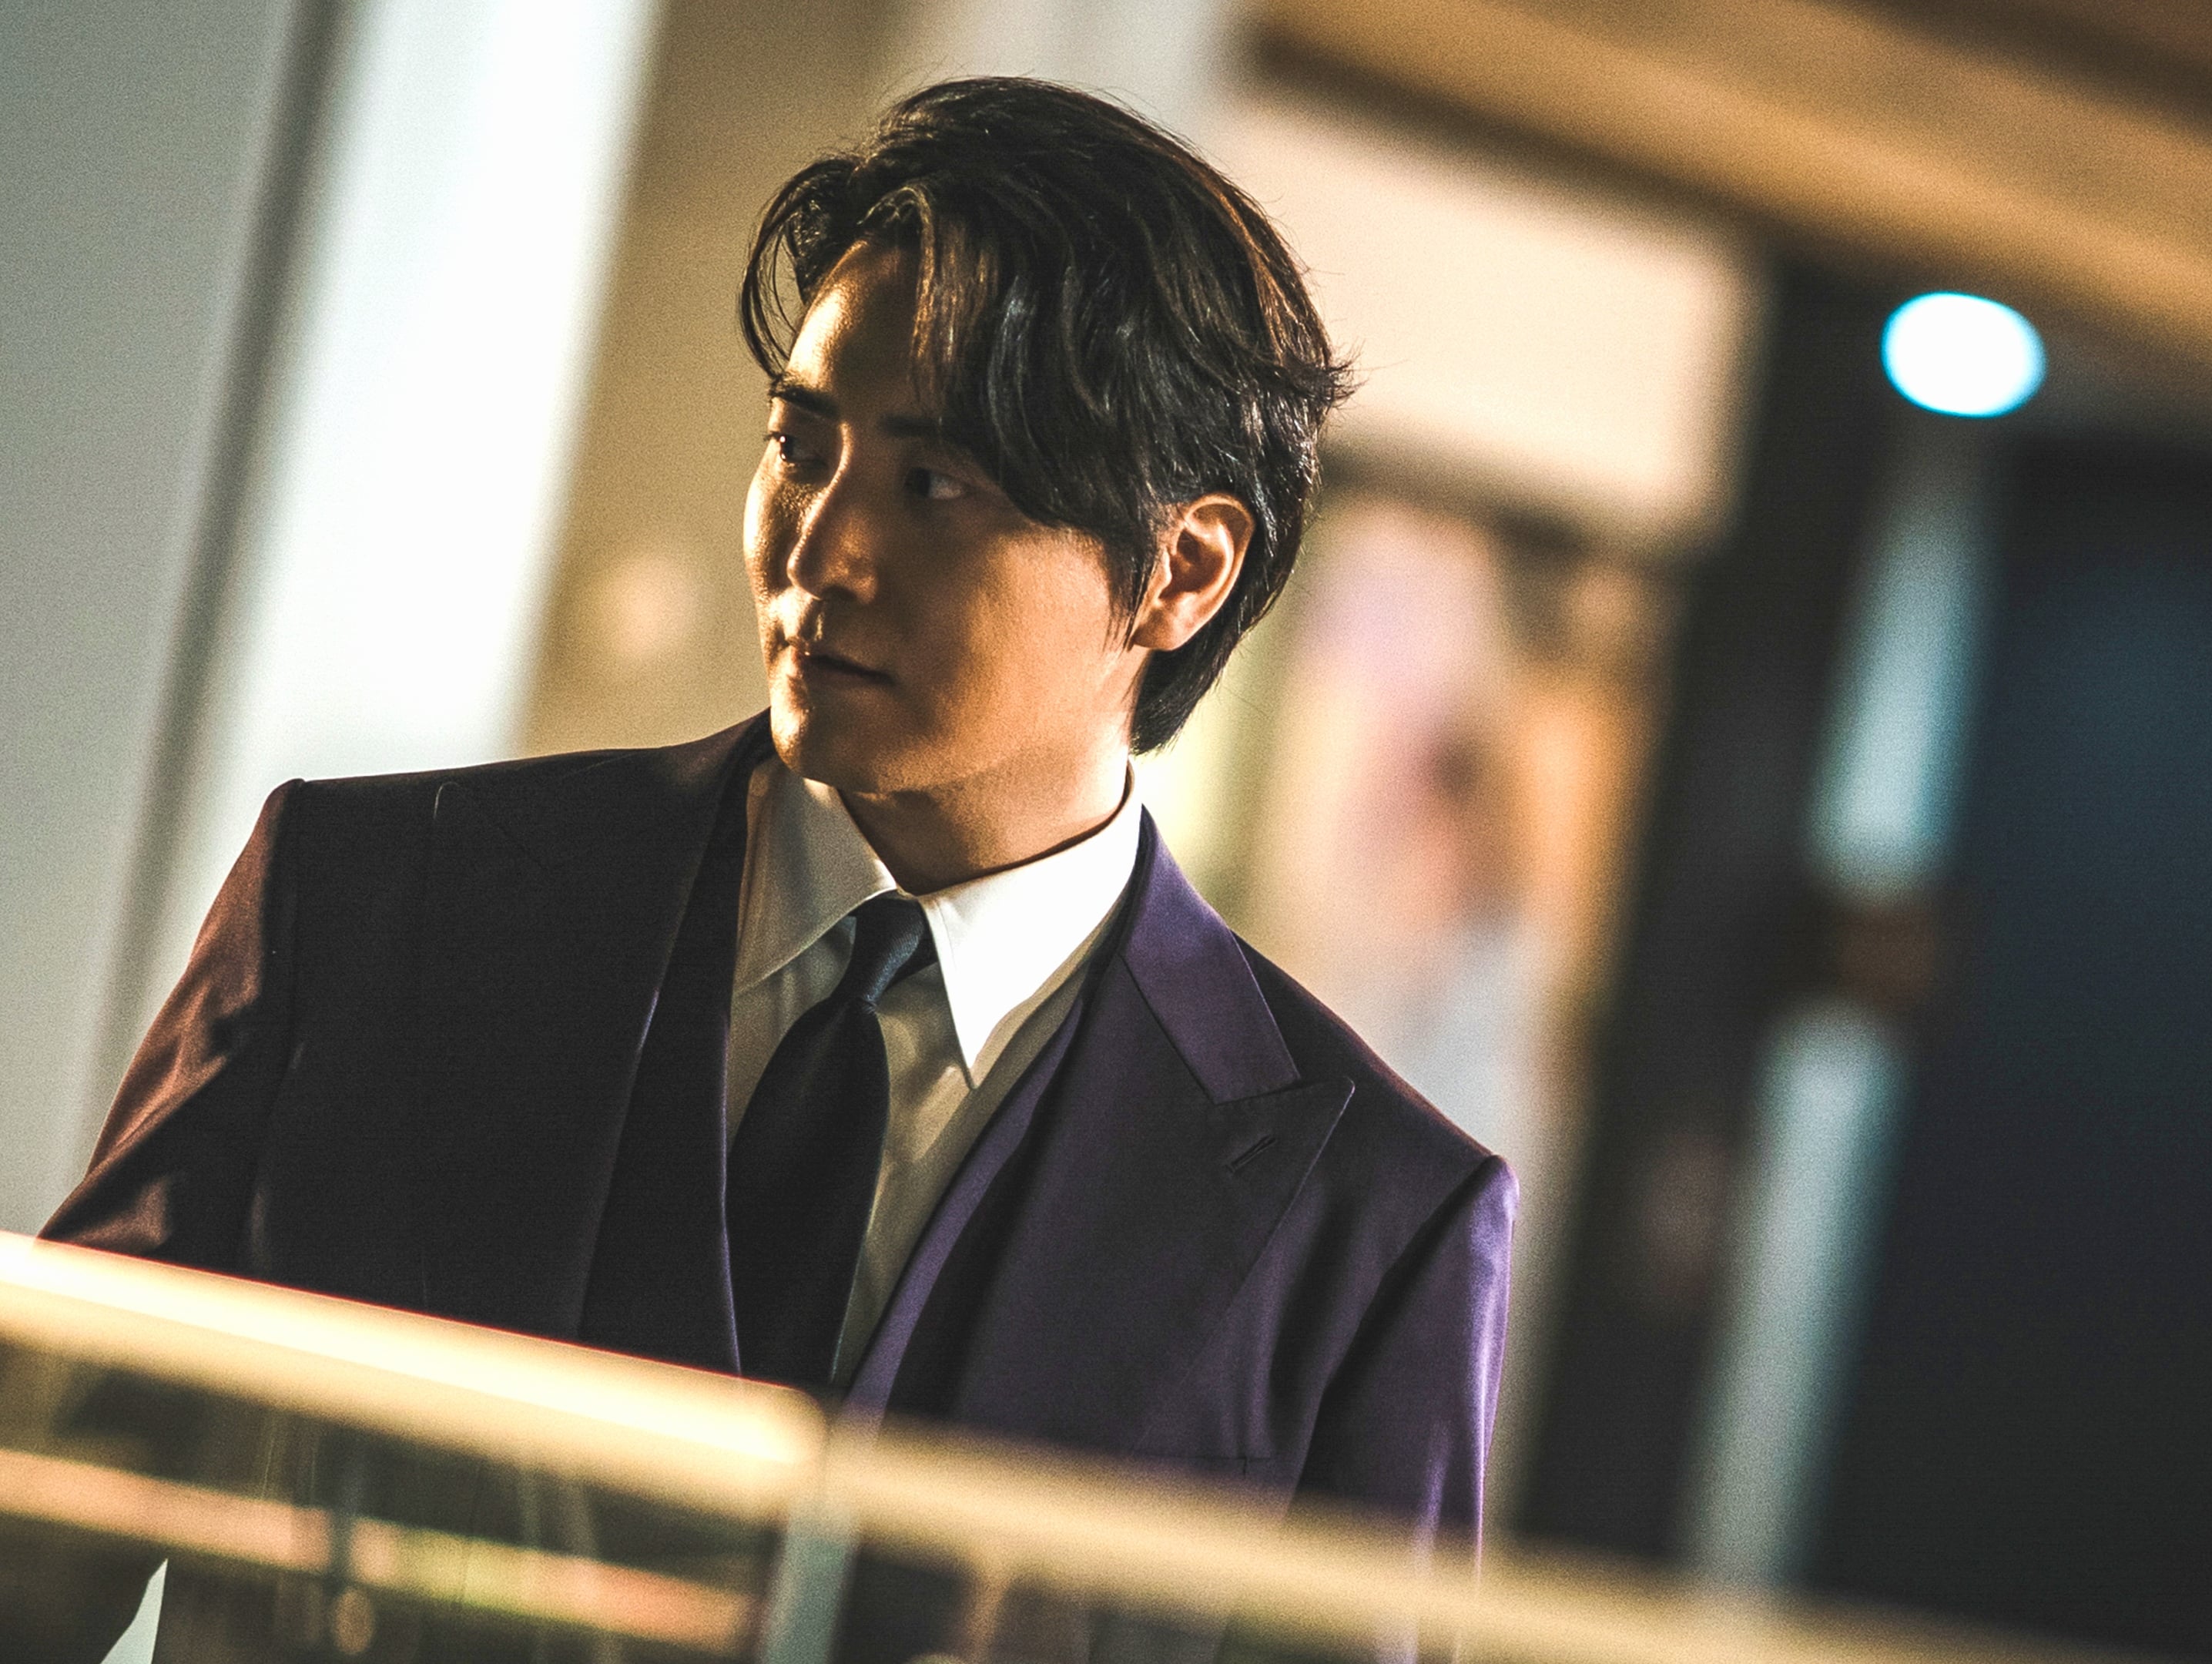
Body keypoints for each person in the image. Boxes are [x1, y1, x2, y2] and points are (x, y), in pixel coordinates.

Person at [46, 78, 1512, 1554]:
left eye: (934, 485)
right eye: (803, 447)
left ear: (1183, 571)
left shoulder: (1372, 1227)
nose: (822, 549)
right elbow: (42, 1512)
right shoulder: (379, 904)